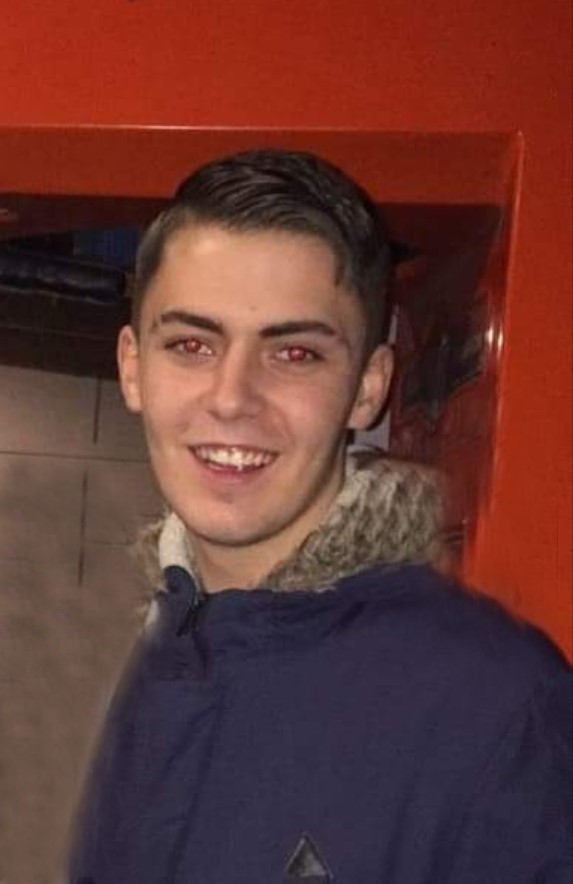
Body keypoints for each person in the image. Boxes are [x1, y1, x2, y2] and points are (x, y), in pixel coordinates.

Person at [68, 149, 572, 884]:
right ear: (132, 367)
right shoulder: (142, 655)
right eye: (191, 345)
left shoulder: (500, 708)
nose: (231, 398)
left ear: (368, 387)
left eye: (295, 353)